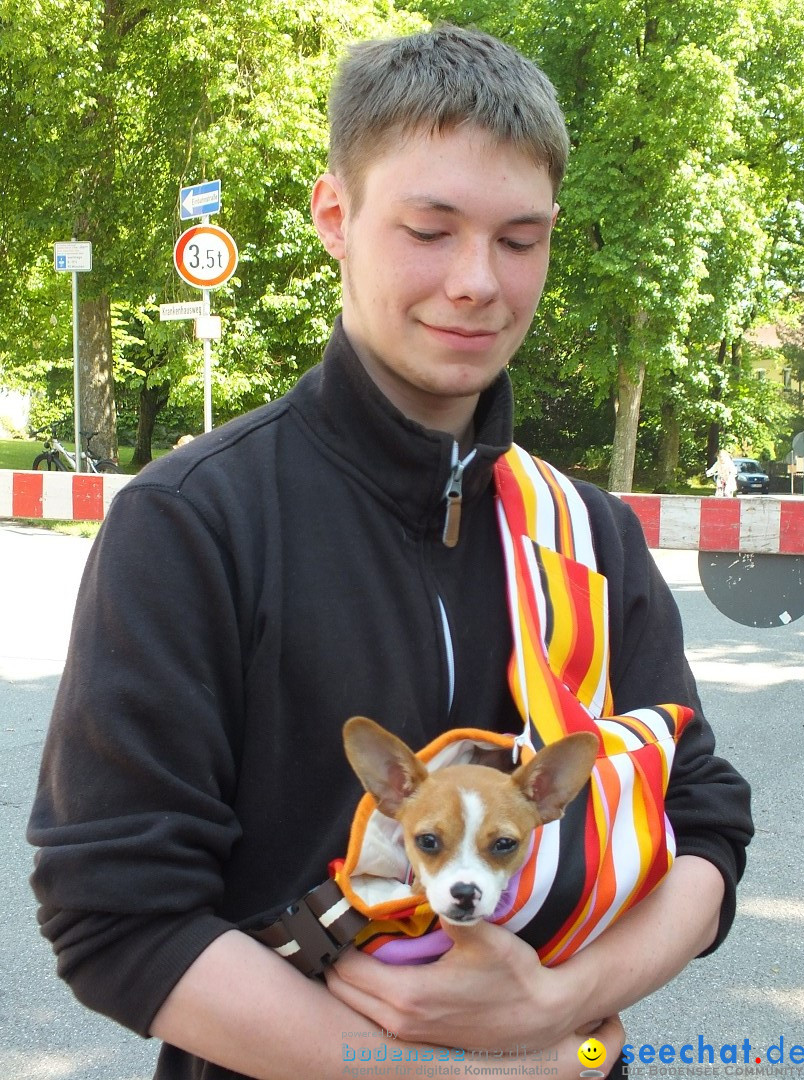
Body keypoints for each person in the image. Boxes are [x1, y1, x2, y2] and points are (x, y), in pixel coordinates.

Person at [28, 25, 753, 1080]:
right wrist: (459, 1076)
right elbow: (116, 916)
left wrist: (564, 1002)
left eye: (520, 238)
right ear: (336, 214)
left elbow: (705, 823)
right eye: (430, 227)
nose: (478, 283)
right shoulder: (193, 523)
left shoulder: (588, 534)